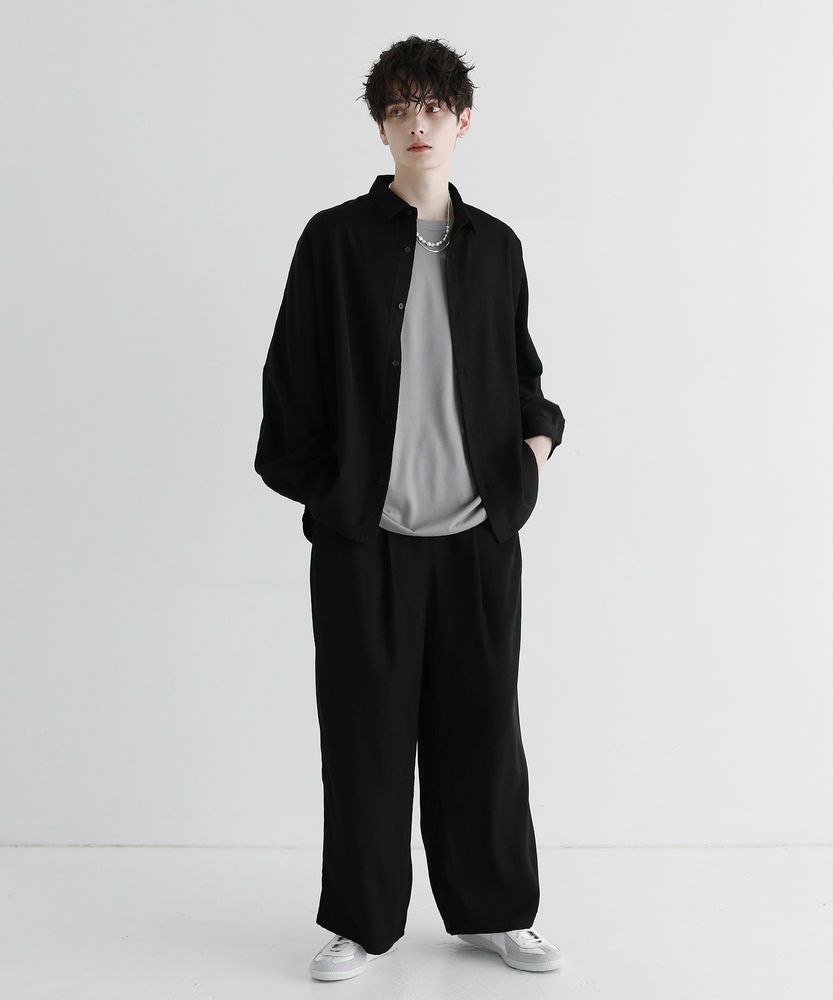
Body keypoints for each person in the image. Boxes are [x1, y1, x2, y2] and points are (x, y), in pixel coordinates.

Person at [254, 35, 566, 981]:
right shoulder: (333, 241)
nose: (416, 123)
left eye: (432, 106)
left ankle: (496, 912)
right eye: (398, 108)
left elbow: (523, 379)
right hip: (368, 543)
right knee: (365, 738)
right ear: (380, 126)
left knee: (484, 734)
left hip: (476, 538)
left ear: (462, 120)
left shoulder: (496, 247)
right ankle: (359, 920)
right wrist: (340, 498)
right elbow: (289, 396)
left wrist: (532, 453)